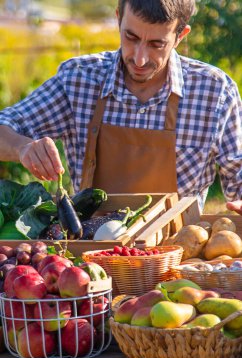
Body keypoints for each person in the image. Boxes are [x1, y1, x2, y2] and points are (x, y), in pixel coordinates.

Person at [0, 0, 241, 214]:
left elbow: (238, 179)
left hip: (180, 254)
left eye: (156, 44)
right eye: (131, 37)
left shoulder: (214, 91)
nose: (139, 59)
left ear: (180, 36)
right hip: (93, 255)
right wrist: (22, 147)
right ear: (118, 18)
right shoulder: (79, 80)